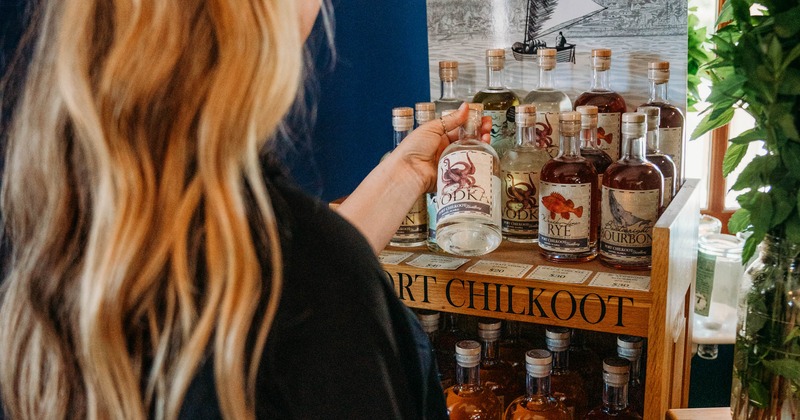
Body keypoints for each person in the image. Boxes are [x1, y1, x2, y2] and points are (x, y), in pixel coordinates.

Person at [0, 1, 491, 419]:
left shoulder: (64, 229)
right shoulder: (312, 284)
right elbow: (297, 280)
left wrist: (402, 174)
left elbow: (255, 263)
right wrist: (338, 262)